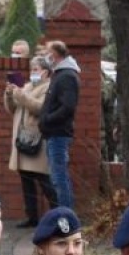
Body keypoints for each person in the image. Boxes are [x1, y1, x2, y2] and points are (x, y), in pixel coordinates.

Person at [4, 55, 57, 227]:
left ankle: (58, 213)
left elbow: (40, 108)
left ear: (46, 72)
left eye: (35, 69)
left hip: (37, 141)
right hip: (22, 140)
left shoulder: (49, 87)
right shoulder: (26, 86)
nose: (32, 73)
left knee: (44, 180)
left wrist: (21, 96)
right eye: (31, 69)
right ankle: (32, 216)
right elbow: (12, 109)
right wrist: (9, 95)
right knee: (26, 180)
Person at [39, 40, 81, 210]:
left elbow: (68, 106)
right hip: (53, 133)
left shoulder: (67, 76)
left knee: (59, 178)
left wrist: (48, 118)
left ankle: (66, 215)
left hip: (58, 134)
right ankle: (64, 213)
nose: (45, 56)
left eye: (47, 52)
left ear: (55, 54)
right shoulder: (60, 74)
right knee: (57, 177)